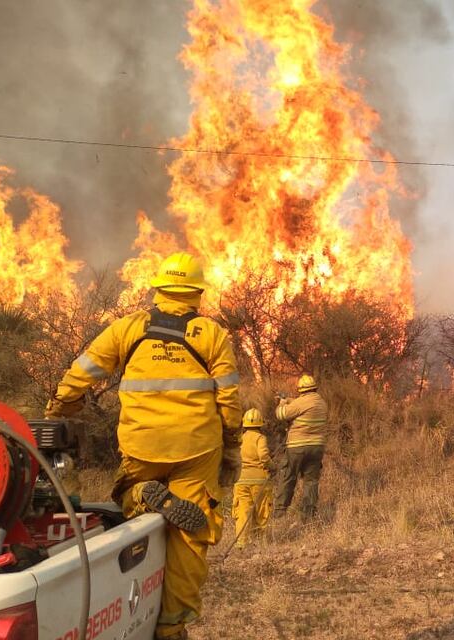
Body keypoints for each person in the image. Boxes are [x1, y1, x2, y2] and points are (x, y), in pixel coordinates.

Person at [46, 252, 241, 640]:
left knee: (122, 499)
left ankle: (139, 494)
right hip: (196, 449)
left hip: (141, 445)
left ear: (158, 288)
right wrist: (232, 439)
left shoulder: (129, 328)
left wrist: (59, 409)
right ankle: (171, 627)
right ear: (196, 294)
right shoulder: (212, 334)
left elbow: (81, 373)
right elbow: (229, 399)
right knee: (191, 536)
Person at [273, 373, 329, 520]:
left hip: (297, 447)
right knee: (311, 481)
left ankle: (279, 513)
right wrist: (289, 399)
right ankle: (308, 515)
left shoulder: (301, 403)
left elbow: (281, 415)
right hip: (317, 447)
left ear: (301, 390)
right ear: (314, 389)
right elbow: (301, 404)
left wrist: (282, 402)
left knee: (288, 477)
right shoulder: (321, 402)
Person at [232, 408, 273, 549]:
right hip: (259, 481)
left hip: (241, 480)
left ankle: (241, 544)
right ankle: (261, 544)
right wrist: (272, 466)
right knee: (262, 512)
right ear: (260, 424)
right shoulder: (260, 438)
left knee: (243, 512)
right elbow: (263, 456)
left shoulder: (240, 439)